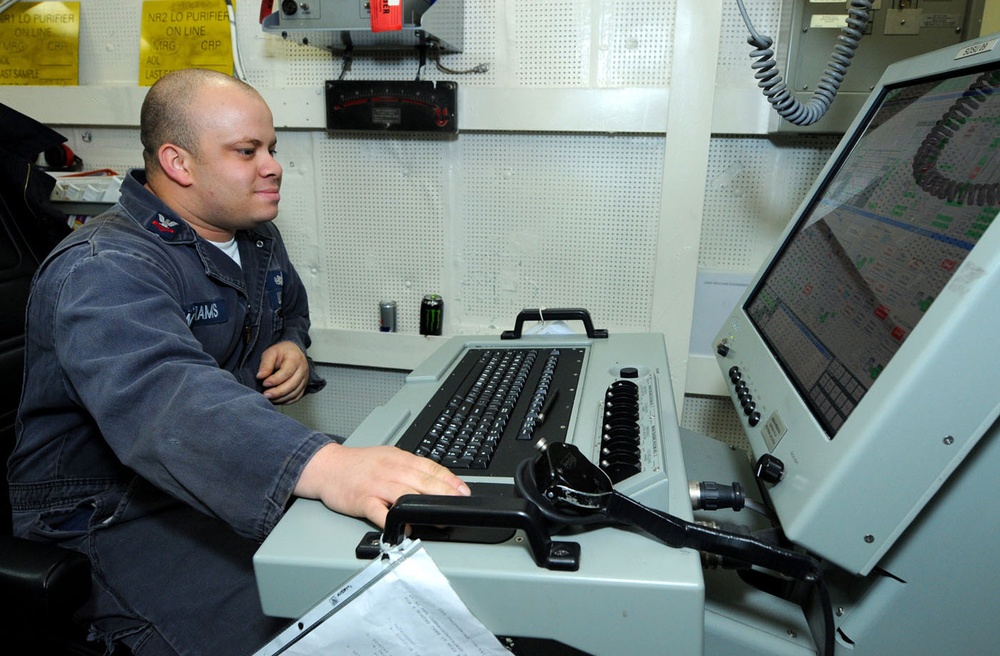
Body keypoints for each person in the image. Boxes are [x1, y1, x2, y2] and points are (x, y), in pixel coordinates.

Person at [8, 68, 471, 655]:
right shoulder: (103, 267)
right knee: (300, 626)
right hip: (107, 512)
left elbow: (289, 310)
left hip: (213, 472)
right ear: (179, 163)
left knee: (388, 570)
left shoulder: (251, 233)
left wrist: (295, 345)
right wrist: (328, 468)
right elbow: (166, 398)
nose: (273, 165)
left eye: (271, 148)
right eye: (247, 151)